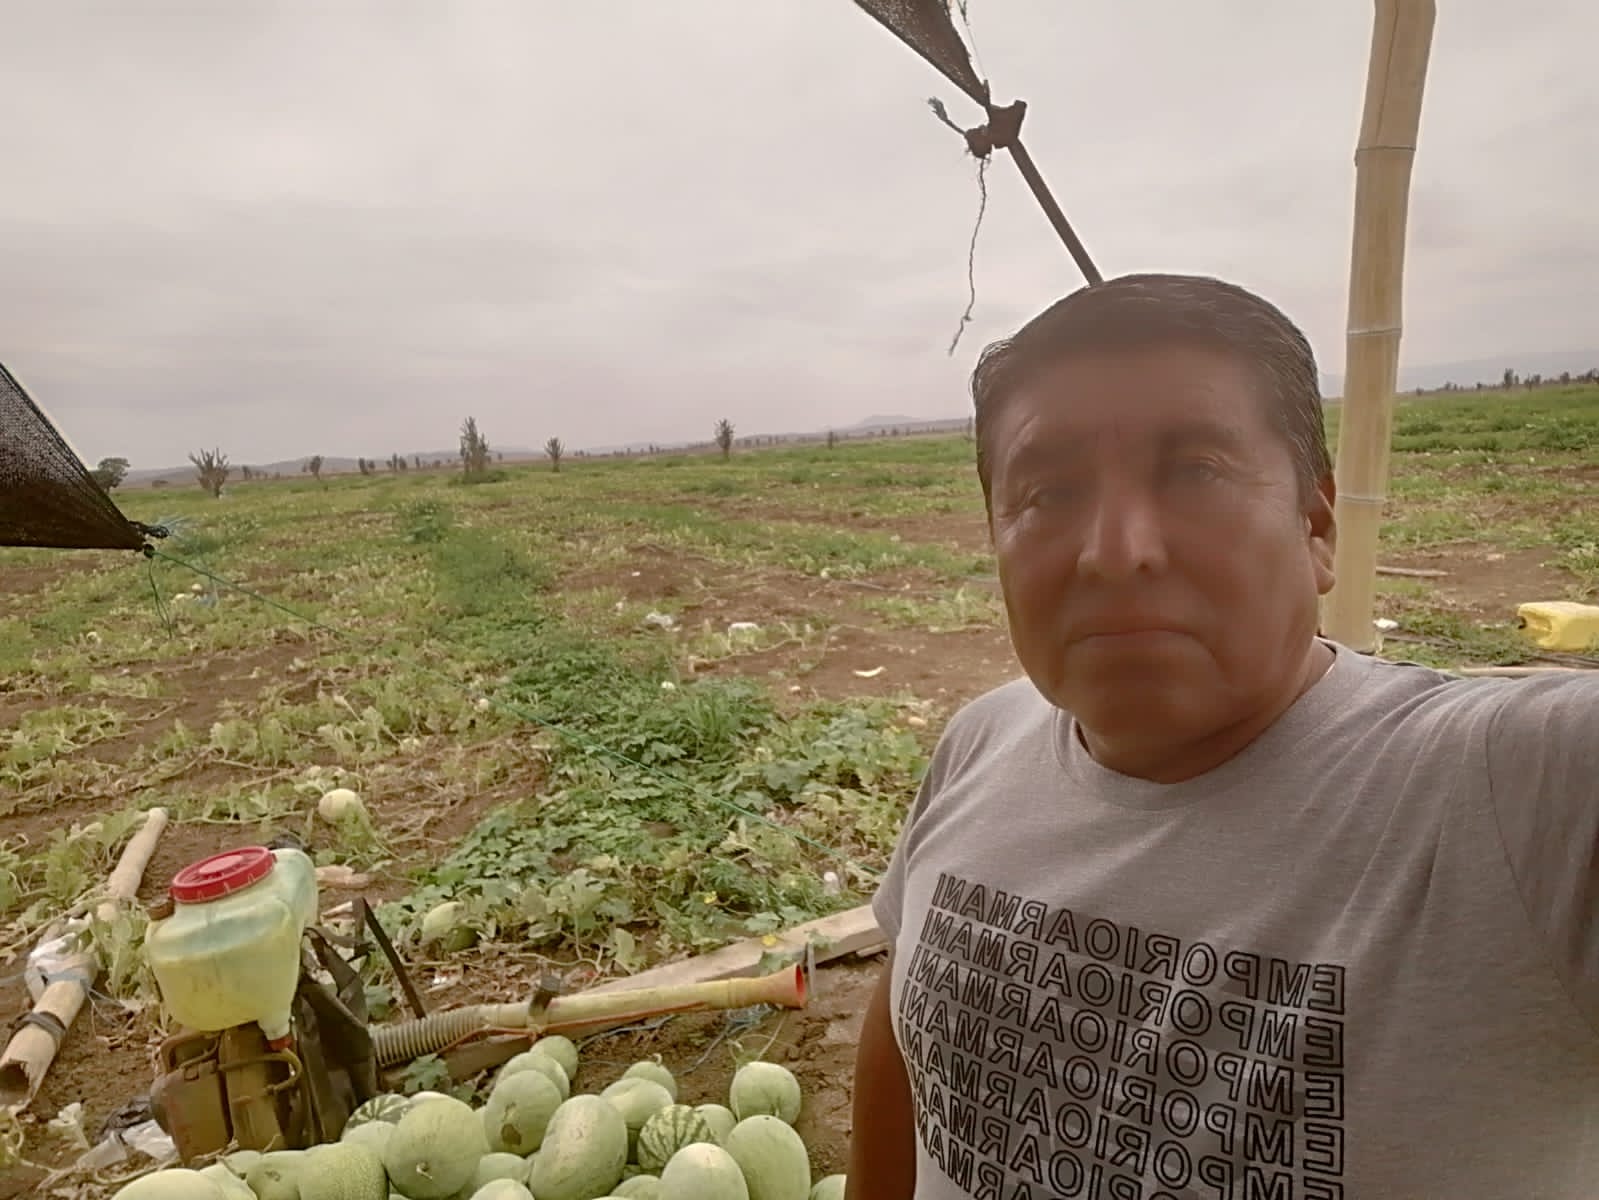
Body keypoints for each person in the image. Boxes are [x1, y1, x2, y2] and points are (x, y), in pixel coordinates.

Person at [846, 273, 1598, 1199]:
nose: (1114, 551)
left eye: (1194, 472)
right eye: (1048, 493)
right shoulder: (979, 742)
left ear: (1315, 526)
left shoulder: (1515, 795)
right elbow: (903, 1051)